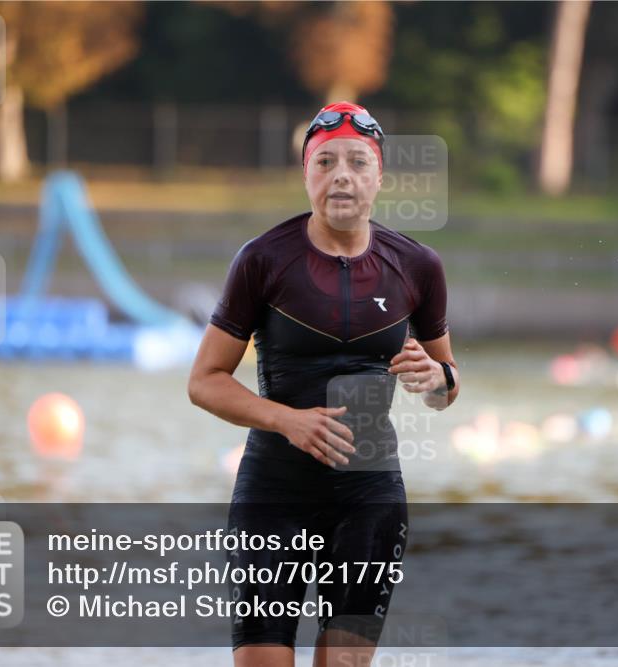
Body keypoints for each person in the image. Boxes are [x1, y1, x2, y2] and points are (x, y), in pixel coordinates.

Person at [188, 101, 460, 667]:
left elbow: (444, 389)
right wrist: (286, 419)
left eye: (359, 162)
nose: (342, 175)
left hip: (370, 499)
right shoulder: (262, 260)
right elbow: (205, 381)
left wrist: (438, 377)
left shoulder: (417, 266)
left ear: (379, 176)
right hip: (273, 493)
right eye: (326, 162)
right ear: (306, 174)